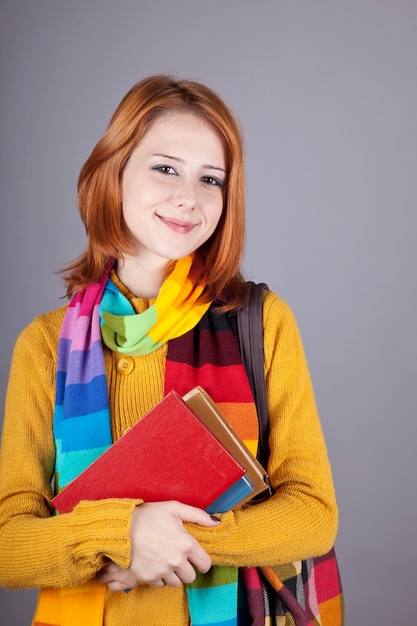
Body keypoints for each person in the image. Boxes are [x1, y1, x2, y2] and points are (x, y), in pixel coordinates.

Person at [0, 75, 338, 625]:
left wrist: (169, 542)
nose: (189, 196)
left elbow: (313, 516)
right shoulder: (43, 347)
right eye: (165, 167)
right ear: (114, 171)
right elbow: (9, 543)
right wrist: (123, 534)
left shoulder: (261, 323)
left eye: (211, 178)